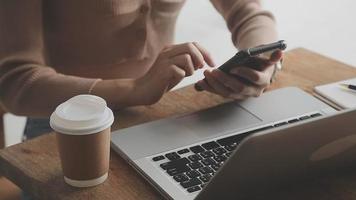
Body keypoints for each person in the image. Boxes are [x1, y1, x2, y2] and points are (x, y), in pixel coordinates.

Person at [0, 0, 283, 140]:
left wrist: (263, 63)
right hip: (68, 126)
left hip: (158, 114)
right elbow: (16, 81)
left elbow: (247, 10)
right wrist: (135, 89)